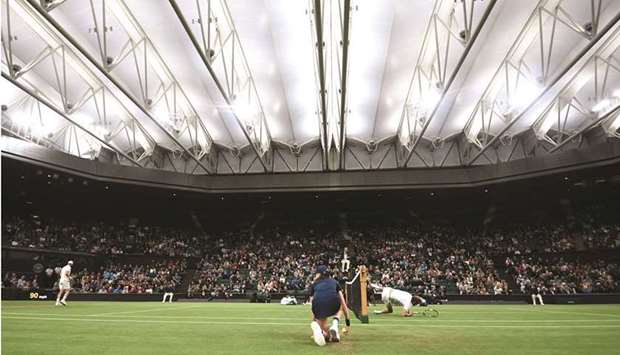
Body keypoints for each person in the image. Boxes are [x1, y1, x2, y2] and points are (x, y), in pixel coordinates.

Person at [308, 265, 350, 346]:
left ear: (319, 274)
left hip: (318, 306)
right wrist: (347, 320)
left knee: (323, 326)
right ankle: (335, 323)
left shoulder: (314, 284)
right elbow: (343, 303)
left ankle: (323, 333)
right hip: (334, 303)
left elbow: (313, 303)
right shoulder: (334, 282)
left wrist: (314, 321)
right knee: (340, 307)